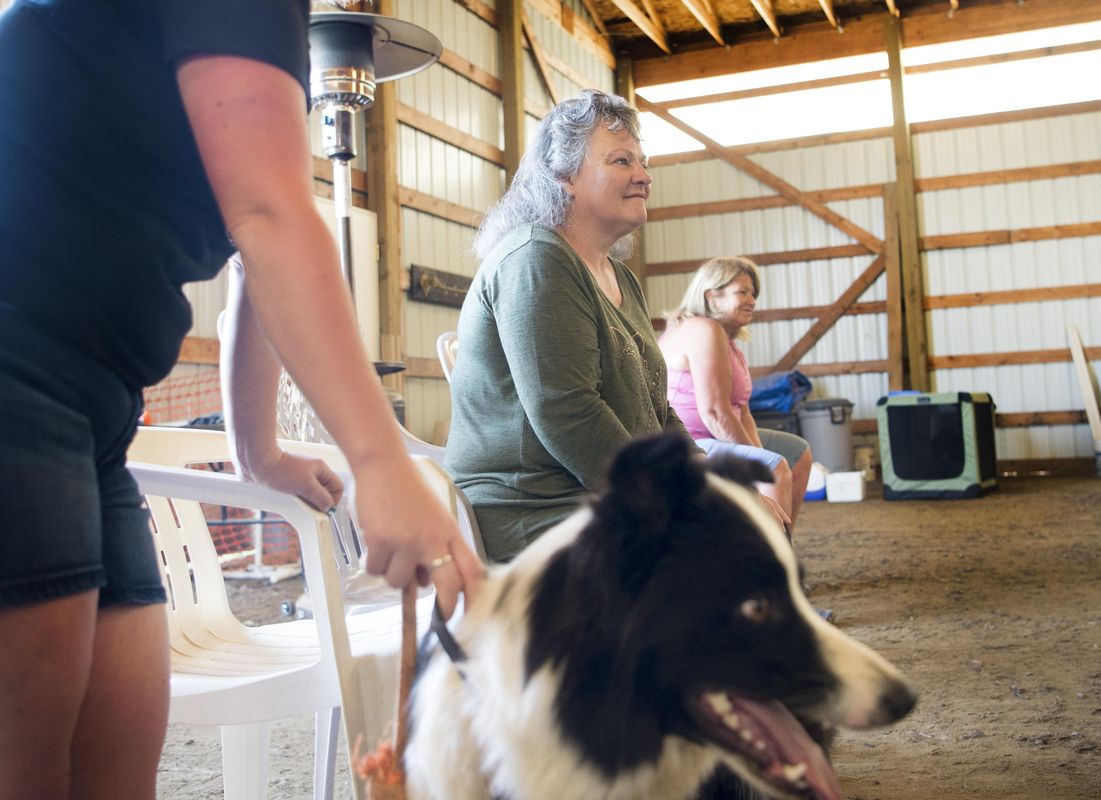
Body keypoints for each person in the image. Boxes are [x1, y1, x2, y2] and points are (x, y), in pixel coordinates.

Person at [0, 2, 483, 797]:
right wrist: (380, 460)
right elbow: (270, 217)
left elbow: (257, 258)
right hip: (16, 363)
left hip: (98, 408)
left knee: (117, 756)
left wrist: (260, 451)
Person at [444, 89, 701, 563]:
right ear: (563, 175)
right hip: (532, 508)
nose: (644, 177)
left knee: (739, 517)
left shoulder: (619, 275)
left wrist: (700, 472)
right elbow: (568, 412)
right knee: (714, 552)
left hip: (600, 495)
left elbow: (656, 411)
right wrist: (673, 502)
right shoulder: (536, 258)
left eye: (643, 163)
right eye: (622, 161)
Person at [658, 256, 814, 521]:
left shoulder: (728, 341)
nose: (752, 300)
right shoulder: (702, 329)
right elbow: (715, 413)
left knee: (797, 453)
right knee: (773, 468)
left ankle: (780, 544)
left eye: (753, 293)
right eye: (742, 292)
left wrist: (759, 452)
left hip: (715, 437)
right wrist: (758, 464)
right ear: (712, 297)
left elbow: (742, 412)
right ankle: (768, 557)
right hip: (688, 441)